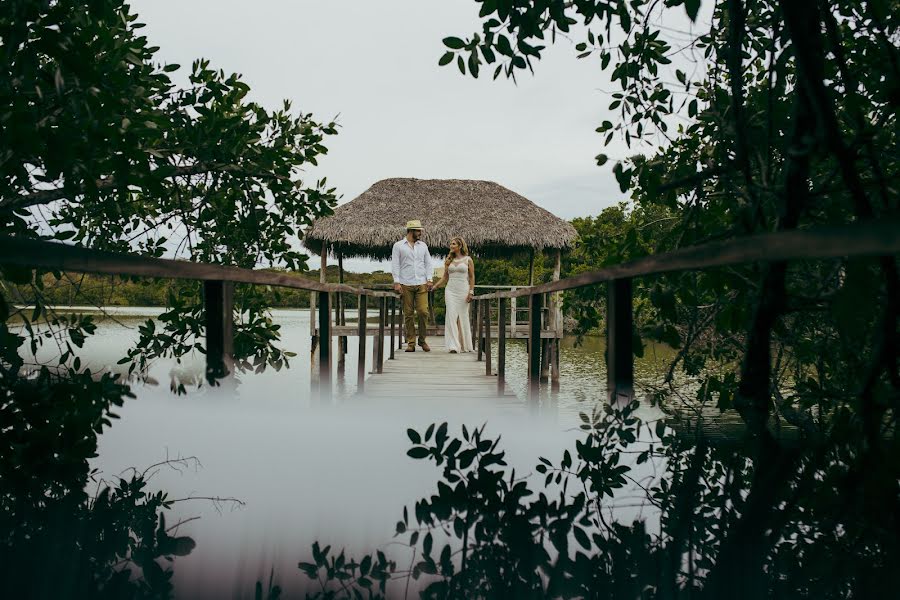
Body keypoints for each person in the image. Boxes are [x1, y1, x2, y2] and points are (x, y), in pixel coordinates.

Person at [391, 220, 434, 352]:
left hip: (421, 283)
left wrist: (429, 279)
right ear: (411, 231)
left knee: (423, 311)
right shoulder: (398, 246)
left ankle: (422, 340)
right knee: (408, 314)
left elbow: (428, 263)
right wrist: (397, 282)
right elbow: (395, 264)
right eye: (418, 230)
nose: (420, 232)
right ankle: (411, 342)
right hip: (405, 284)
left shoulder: (423, 246)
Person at [433, 236, 475, 354]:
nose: (451, 246)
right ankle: (453, 346)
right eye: (450, 244)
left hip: (463, 290)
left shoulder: (468, 260)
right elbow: (445, 277)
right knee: (451, 316)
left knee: (463, 317)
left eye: (453, 244)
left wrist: (471, 292)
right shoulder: (448, 260)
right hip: (450, 290)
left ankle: (463, 344)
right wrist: (435, 286)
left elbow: (472, 277)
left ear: (460, 246)